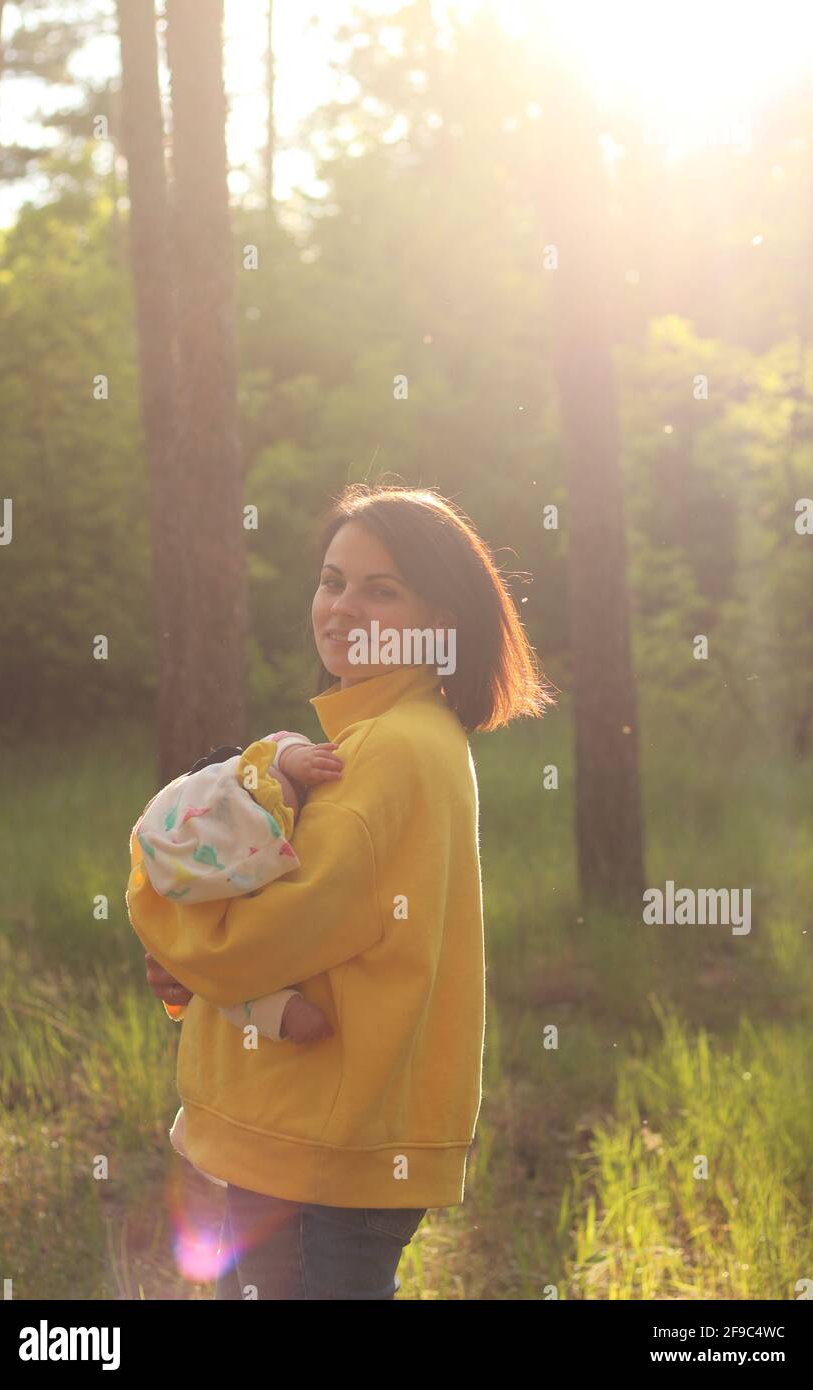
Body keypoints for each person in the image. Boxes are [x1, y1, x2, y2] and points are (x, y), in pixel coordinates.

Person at [128, 483, 555, 1299]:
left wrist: (156, 903)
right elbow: (315, 931)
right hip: (323, 1134)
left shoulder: (391, 750)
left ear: (444, 619)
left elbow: (263, 936)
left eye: (381, 590)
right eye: (333, 581)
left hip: (322, 1140)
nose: (343, 608)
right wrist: (199, 972)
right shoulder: (400, 735)